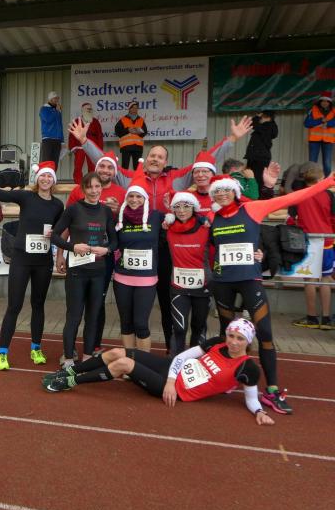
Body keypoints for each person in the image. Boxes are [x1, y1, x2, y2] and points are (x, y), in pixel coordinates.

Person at [71, 115, 253, 355]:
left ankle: (171, 350)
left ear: (166, 161)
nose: (155, 159)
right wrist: (85, 142)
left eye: (160, 157)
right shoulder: (130, 178)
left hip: (168, 246)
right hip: (137, 243)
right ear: (146, 159)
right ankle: (133, 352)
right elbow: (106, 163)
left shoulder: (178, 178)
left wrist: (231, 140)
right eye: (152, 156)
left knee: (168, 302)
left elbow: (204, 163)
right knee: (133, 308)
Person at [207, 168, 335, 415]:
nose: (222, 194)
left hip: (249, 280)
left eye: (226, 190)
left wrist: (326, 183)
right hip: (223, 282)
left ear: (234, 192)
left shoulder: (252, 209)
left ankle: (272, 389)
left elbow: (293, 198)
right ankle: (230, 376)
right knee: (227, 334)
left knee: (265, 333)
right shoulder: (213, 217)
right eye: (217, 191)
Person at [41, 318, 277, 427]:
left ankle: (71, 381)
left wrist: (259, 412)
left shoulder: (248, 367)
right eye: (231, 335)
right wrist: (172, 380)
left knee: (124, 364)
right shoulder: (217, 343)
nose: (233, 342)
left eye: (240, 339)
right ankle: (69, 370)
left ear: (248, 341)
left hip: (179, 391)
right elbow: (182, 357)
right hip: (171, 372)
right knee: (116, 352)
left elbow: (251, 398)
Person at [0, 149, 64, 370]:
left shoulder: (58, 205)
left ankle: (36, 348)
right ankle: (2, 353)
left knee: (38, 305)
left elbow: (60, 231)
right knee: (14, 306)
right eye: (42, 176)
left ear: (54, 181)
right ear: (37, 179)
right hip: (21, 260)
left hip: (43, 263)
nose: (45, 179)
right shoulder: (26, 197)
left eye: (49, 176)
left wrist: (56, 240)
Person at [58, 152, 125, 355]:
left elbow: (114, 240)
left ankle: (88, 354)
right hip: (77, 271)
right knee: (74, 316)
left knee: (93, 315)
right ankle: (68, 356)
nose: (94, 190)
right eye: (90, 187)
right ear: (83, 189)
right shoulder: (73, 209)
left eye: (97, 187)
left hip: (98, 271)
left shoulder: (106, 211)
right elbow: (55, 236)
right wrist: (71, 248)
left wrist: (107, 249)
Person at [112, 176, 163, 354]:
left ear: (145, 198)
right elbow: (112, 242)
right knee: (126, 323)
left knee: (141, 323)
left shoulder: (156, 217)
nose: (134, 200)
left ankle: (143, 362)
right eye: (131, 196)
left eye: (138, 196)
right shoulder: (120, 218)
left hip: (146, 280)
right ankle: (129, 360)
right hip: (122, 278)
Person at [163, 192, 212, 356]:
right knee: (179, 327)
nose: (182, 210)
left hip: (202, 287)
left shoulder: (206, 227)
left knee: (199, 327)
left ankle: (196, 362)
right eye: (177, 207)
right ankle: (175, 362)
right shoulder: (168, 228)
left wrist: (259, 252)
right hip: (178, 287)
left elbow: (227, 240)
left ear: (194, 208)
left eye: (186, 206)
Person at [288, 166, 335, 330]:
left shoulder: (299, 195)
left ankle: (312, 317)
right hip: (327, 241)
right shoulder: (329, 195)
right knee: (326, 279)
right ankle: (327, 319)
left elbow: (291, 219)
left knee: (309, 280)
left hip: (308, 241)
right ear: (320, 179)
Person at [244, 110, 278, 198]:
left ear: (267, 117)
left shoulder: (268, 126)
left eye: (261, 117)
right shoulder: (266, 126)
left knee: (257, 179)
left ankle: (258, 197)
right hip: (255, 157)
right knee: (251, 177)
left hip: (260, 157)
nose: (260, 119)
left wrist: (257, 116)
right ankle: (254, 196)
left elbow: (253, 124)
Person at [68, 102, 102, 183]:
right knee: (78, 166)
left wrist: (99, 149)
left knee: (92, 166)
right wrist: (72, 147)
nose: (89, 110)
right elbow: (72, 135)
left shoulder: (95, 122)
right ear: (83, 110)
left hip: (92, 147)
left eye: (90, 109)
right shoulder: (77, 121)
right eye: (88, 109)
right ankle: (78, 182)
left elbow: (100, 136)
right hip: (80, 147)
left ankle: (92, 181)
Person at [304, 91, 335, 175]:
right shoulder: (313, 110)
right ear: (320, 101)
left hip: (328, 140)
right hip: (314, 140)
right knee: (312, 162)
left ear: (330, 102)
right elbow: (306, 123)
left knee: (327, 163)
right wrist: (320, 121)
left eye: (327, 101)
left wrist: (328, 123)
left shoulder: (334, 111)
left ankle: (327, 181)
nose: (325, 103)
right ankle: (311, 180)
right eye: (323, 101)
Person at [114, 101, 147, 170]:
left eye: (136, 108)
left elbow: (145, 132)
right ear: (129, 109)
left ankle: (137, 177)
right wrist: (127, 130)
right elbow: (117, 131)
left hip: (138, 147)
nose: (135, 109)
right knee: (125, 167)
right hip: (126, 147)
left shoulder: (141, 120)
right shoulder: (123, 119)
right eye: (133, 108)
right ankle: (124, 177)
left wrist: (139, 132)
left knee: (138, 168)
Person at [39, 91, 64, 166]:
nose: (57, 100)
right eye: (55, 98)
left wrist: (62, 141)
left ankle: (53, 173)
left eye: (57, 98)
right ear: (50, 99)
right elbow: (48, 119)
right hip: (48, 138)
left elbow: (60, 125)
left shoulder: (57, 110)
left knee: (55, 162)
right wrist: (56, 111)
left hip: (58, 139)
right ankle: (45, 173)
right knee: (46, 160)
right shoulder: (44, 109)